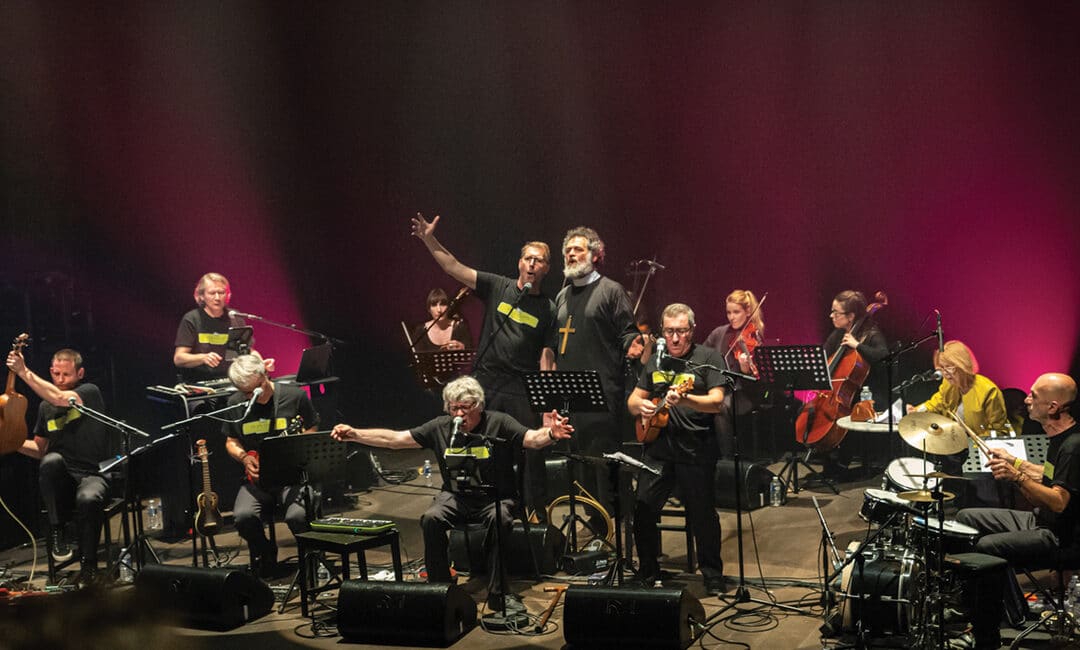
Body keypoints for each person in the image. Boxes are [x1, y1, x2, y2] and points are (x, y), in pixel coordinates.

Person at [330, 376, 572, 611]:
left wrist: (551, 433)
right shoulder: (440, 427)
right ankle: (441, 590)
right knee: (431, 519)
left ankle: (499, 594)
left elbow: (532, 439)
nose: (459, 414)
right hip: (456, 497)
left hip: (495, 498)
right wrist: (356, 434)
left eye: (465, 408)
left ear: (478, 405)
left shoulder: (500, 422)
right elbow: (395, 439)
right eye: (454, 408)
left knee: (499, 520)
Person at [411, 213, 557, 519]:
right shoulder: (497, 286)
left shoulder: (548, 308)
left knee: (531, 451)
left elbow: (547, 358)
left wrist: (547, 404)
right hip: (486, 382)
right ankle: (474, 504)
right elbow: (454, 267)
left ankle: (536, 514)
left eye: (539, 260)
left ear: (546, 268)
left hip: (521, 389)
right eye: (528, 258)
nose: (532, 264)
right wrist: (429, 239)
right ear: (519, 263)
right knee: (477, 444)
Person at [955, 373, 1079, 649]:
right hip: (1041, 520)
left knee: (987, 547)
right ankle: (973, 605)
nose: (1026, 400)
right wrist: (1015, 461)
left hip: (1061, 536)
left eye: (1034, 396)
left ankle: (986, 635)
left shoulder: (1073, 447)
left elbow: (1059, 501)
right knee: (965, 518)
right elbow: (1050, 476)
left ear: (1053, 407)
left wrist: (1016, 477)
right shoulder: (1059, 437)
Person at [628, 303, 727, 594]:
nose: (674, 338)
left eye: (681, 331)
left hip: (696, 448)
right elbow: (632, 401)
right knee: (642, 507)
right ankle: (648, 570)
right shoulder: (656, 360)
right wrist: (643, 406)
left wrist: (685, 400)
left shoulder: (708, 358)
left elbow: (716, 402)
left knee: (702, 514)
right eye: (669, 331)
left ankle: (712, 575)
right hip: (658, 449)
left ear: (692, 331)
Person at [554, 226, 645, 518]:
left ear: (595, 255)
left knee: (604, 466)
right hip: (570, 397)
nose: (571, 254)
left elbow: (628, 332)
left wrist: (633, 344)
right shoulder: (562, 296)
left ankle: (617, 528)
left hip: (603, 393)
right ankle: (595, 527)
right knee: (580, 465)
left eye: (578, 249)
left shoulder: (611, 290)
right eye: (568, 250)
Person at [8, 348, 117, 584]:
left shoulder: (89, 392)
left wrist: (23, 372)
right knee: (51, 460)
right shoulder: (45, 408)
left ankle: (89, 567)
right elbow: (39, 449)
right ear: (50, 371)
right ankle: (58, 530)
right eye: (56, 374)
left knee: (88, 498)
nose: (60, 379)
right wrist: (11, 440)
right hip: (64, 480)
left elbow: (60, 398)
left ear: (80, 373)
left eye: (66, 374)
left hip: (92, 474)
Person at [222, 353, 318, 576]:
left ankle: (312, 558)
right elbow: (231, 441)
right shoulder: (235, 404)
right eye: (246, 393)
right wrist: (244, 458)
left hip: (292, 477)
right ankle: (265, 553)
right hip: (257, 481)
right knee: (243, 517)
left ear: (265, 375)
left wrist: (297, 446)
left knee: (297, 516)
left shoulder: (294, 396)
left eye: (257, 388)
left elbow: (312, 427)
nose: (253, 396)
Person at [907, 340, 1009, 504]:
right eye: (941, 368)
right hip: (955, 443)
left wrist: (971, 444)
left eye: (949, 367)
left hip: (978, 448)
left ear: (963, 365)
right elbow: (937, 402)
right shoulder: (948, 384)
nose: (945, 373)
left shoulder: (988, 391)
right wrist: (916, 410)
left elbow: (999, 430)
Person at [818, 290, 889, 477]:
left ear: (851, 316)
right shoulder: (838, 334)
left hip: (868, 393)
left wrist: (857, 345)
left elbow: (883, 355)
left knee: (850, 413)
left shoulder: (871, 333)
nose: (831, 315)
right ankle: (829, 460)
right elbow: (823, 356)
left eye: (836, 312)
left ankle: (842, 462)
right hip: (843, 393)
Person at [173, 272, 274, 383]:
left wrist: (261, 364)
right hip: (200, 381)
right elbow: (178, 358)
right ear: (201, 296)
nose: (217, 298)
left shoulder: (235, 317)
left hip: (231, 380)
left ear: (228, 295)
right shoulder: (192, 319)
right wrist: (202, 358)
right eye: (212, 293)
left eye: (221, 293)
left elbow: (248, 350)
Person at [702, 289, 765, 458]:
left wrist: (745, 369)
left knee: (720, 405)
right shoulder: (719, 332)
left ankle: (727, 459)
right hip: (719, 387)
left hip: (743, 393)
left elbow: (756, 380)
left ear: (748, 311)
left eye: (736, 312)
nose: (731, 317)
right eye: (729, 312)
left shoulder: (754, 336)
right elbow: (702, 354)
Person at [410, 288, 473, 353]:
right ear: (429, 309)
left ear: (448, 307)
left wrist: (463, 348)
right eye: (434, 305)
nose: (439, 310)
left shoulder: (460, 327)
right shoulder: (421, 331)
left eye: (443, 304)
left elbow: (471, 354)